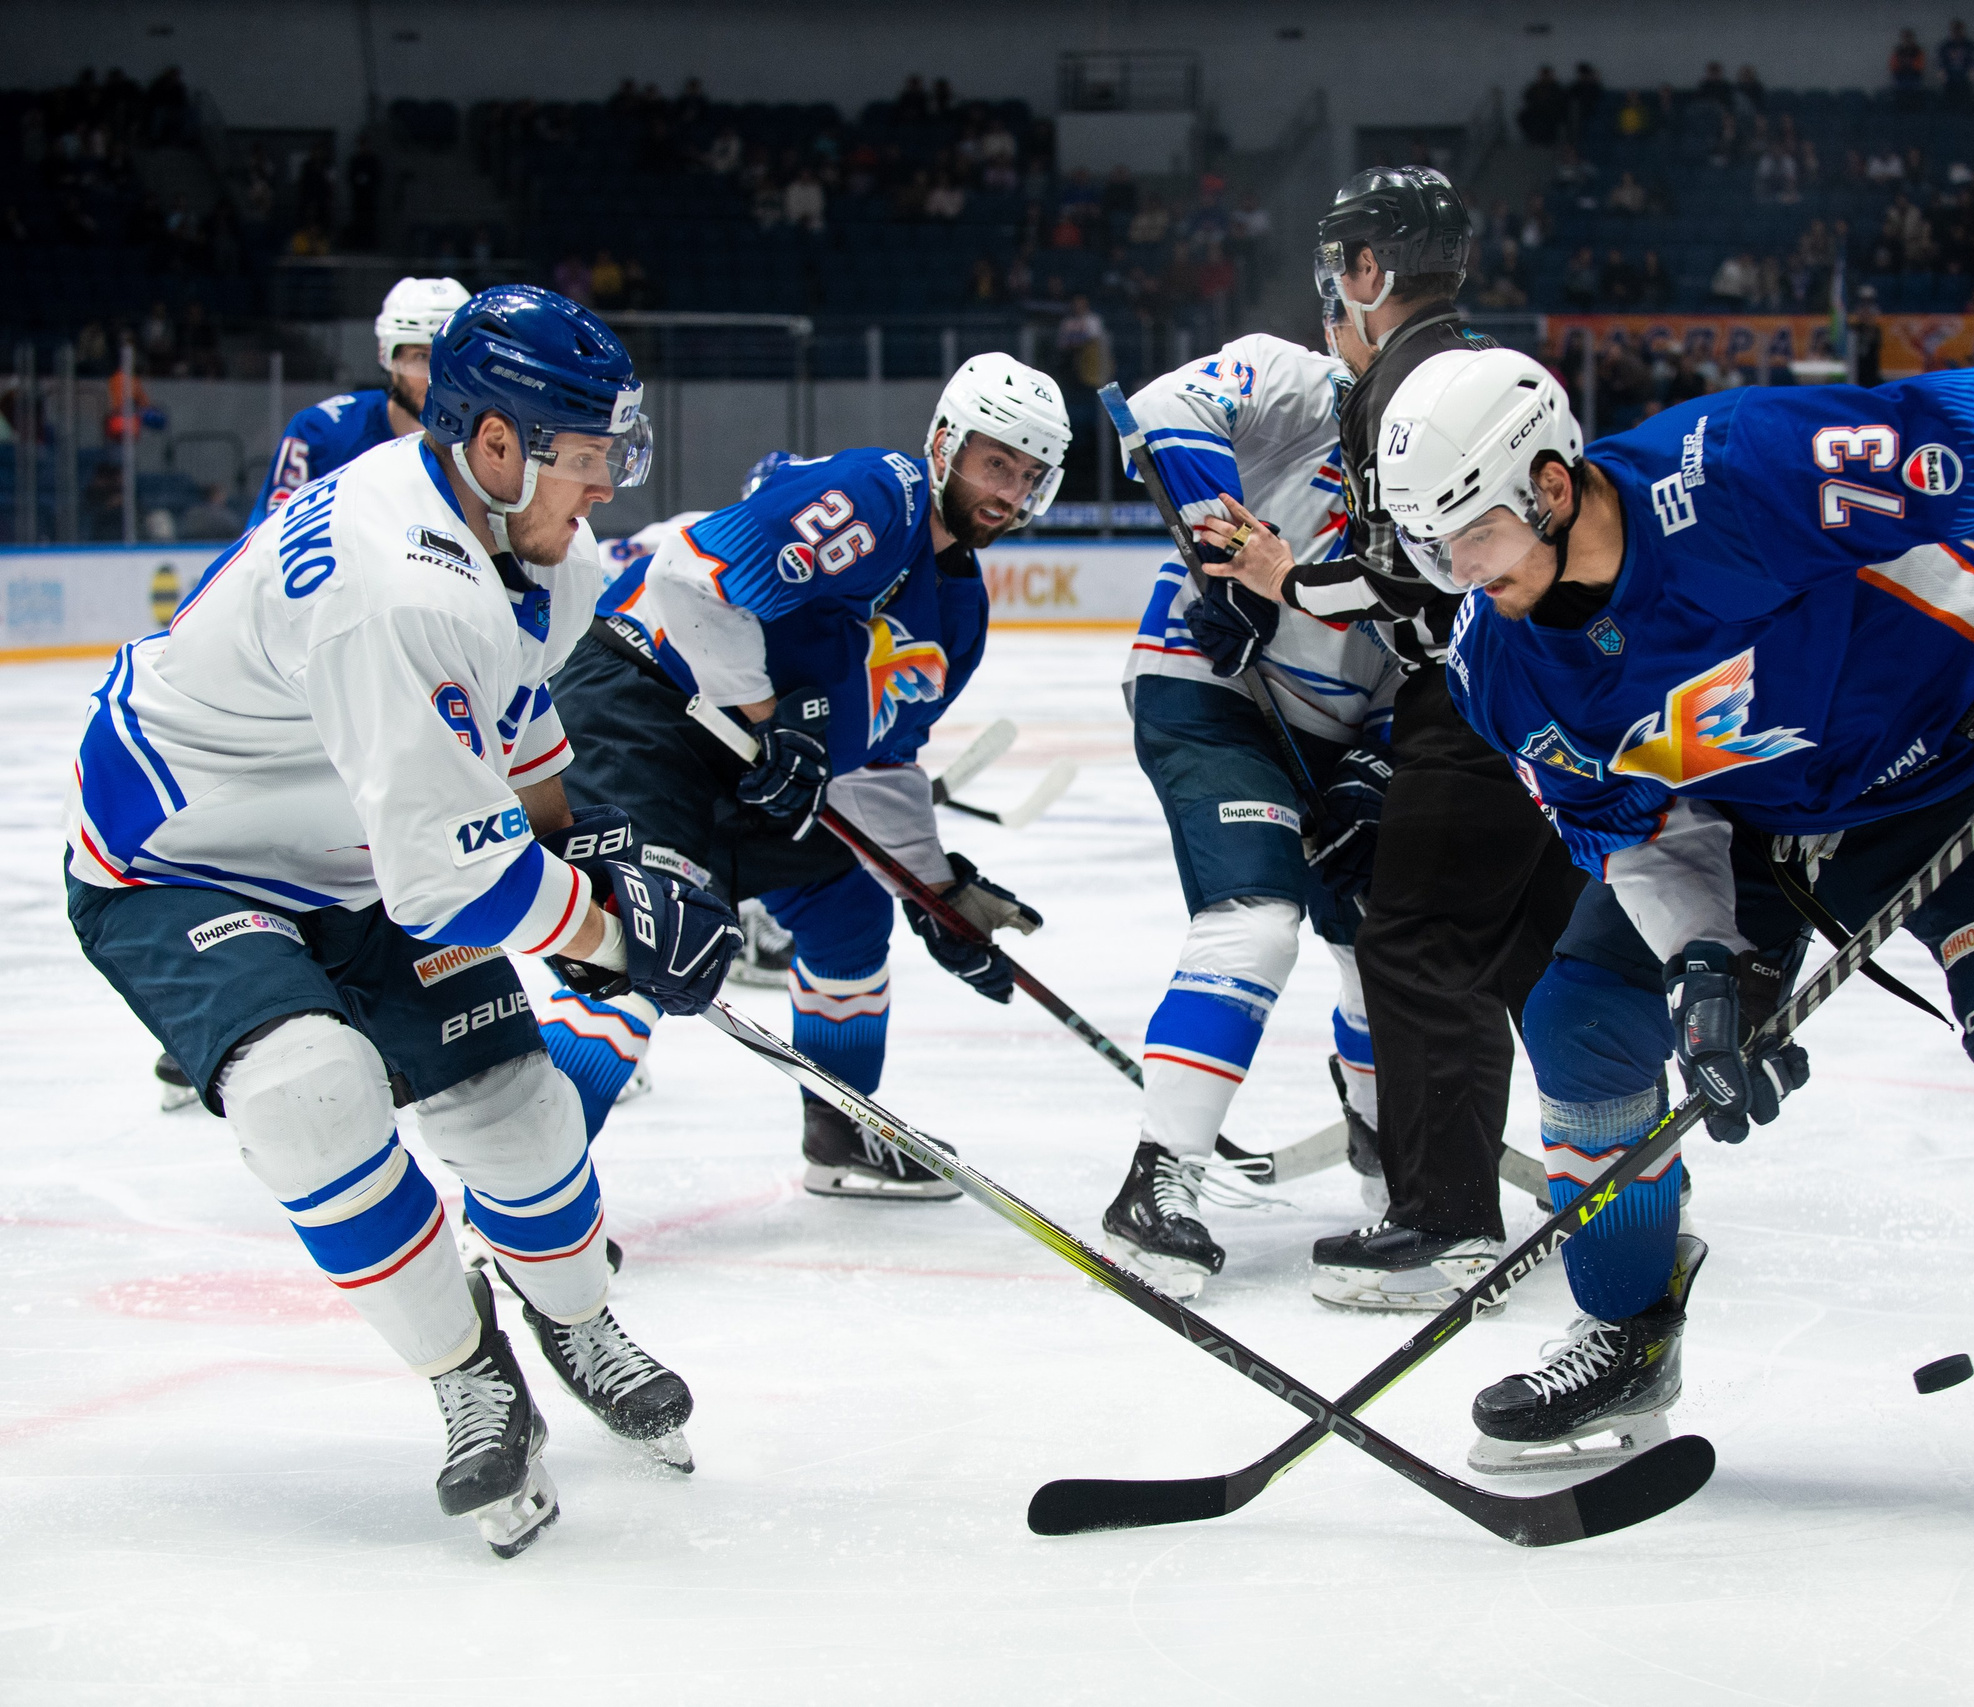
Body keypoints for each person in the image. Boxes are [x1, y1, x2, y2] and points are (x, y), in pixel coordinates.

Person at [1376, 348, 1974, 1541]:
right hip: (1763, 820)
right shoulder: (1498, 664)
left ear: (1552, 485)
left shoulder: (1740, 473)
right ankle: (1627, 1326)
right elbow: (1637, 822)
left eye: (1469, 533)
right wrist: (1704, 962)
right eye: (1426, 545)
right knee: (1582, 1021)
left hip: (1973, 765)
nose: (1451, 571)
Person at [66, 286, 731, 1556]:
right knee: (308, 1092)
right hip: (183, 859)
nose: (604, 490)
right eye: (588, 462)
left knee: (516, 1111)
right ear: (497, 447)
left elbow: (520, 745)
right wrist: (621, 941)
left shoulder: (524, 542)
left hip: (356, 843)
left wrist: (598, 856)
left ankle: (575, 1315)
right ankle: (467, 1366)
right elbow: (453, 883)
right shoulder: (403, 587)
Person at [531, 356, 1070, 1201]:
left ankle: (841, 1126)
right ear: (943, 445)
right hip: (646, 710)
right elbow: (688, 576)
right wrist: (764, 712)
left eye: (1031, 474)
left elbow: (880, 763)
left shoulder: (958, 612)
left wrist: (936, 892)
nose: (1010, 490)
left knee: (847, 909)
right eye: (995, 462)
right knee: (647, 938)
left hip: (746, 763)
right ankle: (524, 1197)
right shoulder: (883, 492)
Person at [1195, 167, 1586, 1312]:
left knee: (1415, 947)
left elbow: (1423, 578)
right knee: (1528, 958)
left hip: (1481, 702)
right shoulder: (1476, 368)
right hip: (1553, 697)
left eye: (1337, 278)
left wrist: (1281, 574)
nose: (1331, 307)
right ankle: (1609, 1175)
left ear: (1371, 271)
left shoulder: (1404, 388)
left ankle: (1444, 1224)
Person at [1097, 335, 1405, 1295]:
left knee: (1379, 943)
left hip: (1344, 729)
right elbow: (1162, 404)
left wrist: (1381, 762)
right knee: (1259, 921)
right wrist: (1220, 562)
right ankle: (1158, 1179)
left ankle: (1388, 1151)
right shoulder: (1305, 380)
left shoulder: (1452, 479)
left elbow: (1444, 645)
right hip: (1210, 686)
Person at [258, 277, 469, 517]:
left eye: (451, 358)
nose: (435, 378)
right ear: (387, 357)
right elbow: (269, 545)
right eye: (421, 357)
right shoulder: (320, 434)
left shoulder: (490, 443)